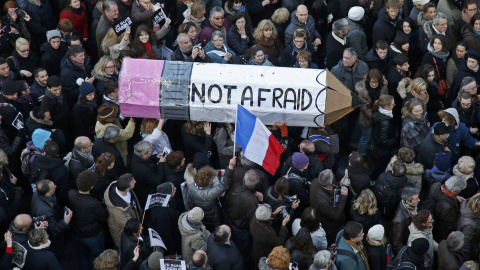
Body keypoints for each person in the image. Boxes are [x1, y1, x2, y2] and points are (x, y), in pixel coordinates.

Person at [68, 170, 108, 270]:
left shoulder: (71, 194)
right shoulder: (93, 203)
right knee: (98, 258)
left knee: (83, 257)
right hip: (92, 235)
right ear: (91, 187)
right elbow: (104, 216)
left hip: (77, 233)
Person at [185, 155, 235, 232]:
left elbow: (189, 203)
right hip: (213, 218)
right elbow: (224, 185)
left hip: (201, 217)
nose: (213, 179)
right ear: (208, 182)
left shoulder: (191, 187)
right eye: (212, 178)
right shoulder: (209, 194)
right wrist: (230, 167)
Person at [30, 179, 73, 256]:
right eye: (53, 188)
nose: (56, 186)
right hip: (56, 241)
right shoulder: (45, 211)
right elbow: (54, 230)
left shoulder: (38, 193)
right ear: (47, 194)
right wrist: (65, 222)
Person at [310, 169, 348, 244]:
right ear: (330, 182)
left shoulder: (315, 181)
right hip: (329, 226)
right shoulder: (323, 202)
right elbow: (336, 215)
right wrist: (343, 197)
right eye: (333, 176)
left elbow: (329, 188)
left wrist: (339, 184)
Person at [356, 69, 388, 158]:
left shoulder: (384, 86)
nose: (374, 84)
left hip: (379, 116)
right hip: (367, 118)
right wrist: (374, 118)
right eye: (371, 82)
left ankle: (374, 152)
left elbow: (386, 99)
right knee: (365, 138)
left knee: (376, 137)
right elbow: (363, 108)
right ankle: (361, 156)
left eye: (376, 82)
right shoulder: (362, 90)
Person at [104, 173, 142, 248]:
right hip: (126, 239)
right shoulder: (117, 210)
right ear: (127, 189)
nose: (135, 181)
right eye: (133, 181)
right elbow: (129, 227)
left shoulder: (121, 186)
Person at [251, 204, 290, 270]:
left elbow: (263, 218)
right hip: (264, 252)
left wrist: (273, 214)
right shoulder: (267, 232)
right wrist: (283, 225)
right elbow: (279, 242)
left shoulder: (255, 217)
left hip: (256, 248)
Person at [30, 140, 70, 205]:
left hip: (39, 192)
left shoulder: (37, 160)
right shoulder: (62, 170)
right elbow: (63, 191)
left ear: (45, 153)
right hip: (54, 198)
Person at [430, 176, 467, 242]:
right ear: (455, 191)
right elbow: (451, 225)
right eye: (460, 190)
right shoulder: (447, 207)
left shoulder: (436, 185)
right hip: (441, 231)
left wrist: (456, 196)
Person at [150, 183, 181, 257]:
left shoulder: (165, 201)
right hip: (168, 246)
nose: (176, 188)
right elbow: (166, 235)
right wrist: (172, 250)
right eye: (173, 189)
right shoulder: (164, 214)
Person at [371, 94, 398, 179]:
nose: (394, 105)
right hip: (383, 150)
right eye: (393, 104)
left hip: (378, 145)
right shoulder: (385, 122)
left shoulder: (379, 113)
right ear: (387, 106)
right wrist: (395, 140)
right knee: (381, 166)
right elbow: (384, 141)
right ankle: (374, 178)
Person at [130, 141, 165, 207]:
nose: (151, 151)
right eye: (150, 151)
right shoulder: (143, 169)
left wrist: (155, 157)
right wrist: (161, 164)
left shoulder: (136, 157)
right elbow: (157, 181)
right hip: (147, 193)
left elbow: (147, 159)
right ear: (143, 154)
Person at [457, 193, 480, 261]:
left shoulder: (467, 207)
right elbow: (465, 245)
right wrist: (468, 261)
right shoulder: (469, 225)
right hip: (473, 249)